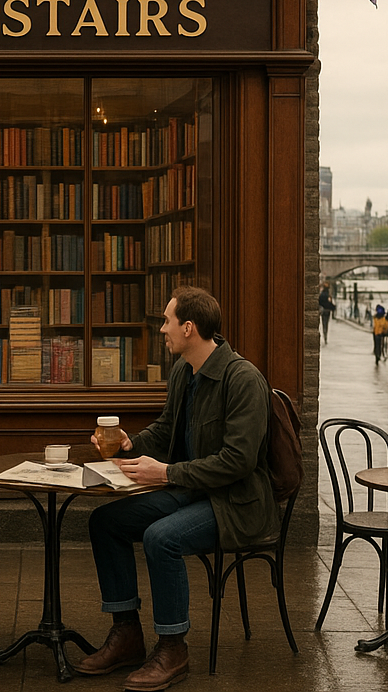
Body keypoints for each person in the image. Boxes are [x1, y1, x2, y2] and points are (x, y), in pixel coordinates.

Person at [73, 286, 278, 691]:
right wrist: (131, 443)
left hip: (235, 501)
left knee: (160, 537)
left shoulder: (243, 379)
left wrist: (165, 474)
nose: (162, 329)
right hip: (192, 489)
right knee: (105, 522)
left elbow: (238, 462)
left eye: (167, 321)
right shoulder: (185, 370)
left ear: (189, 327)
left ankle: (172, 647)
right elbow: (168, 428)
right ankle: (128, 635)